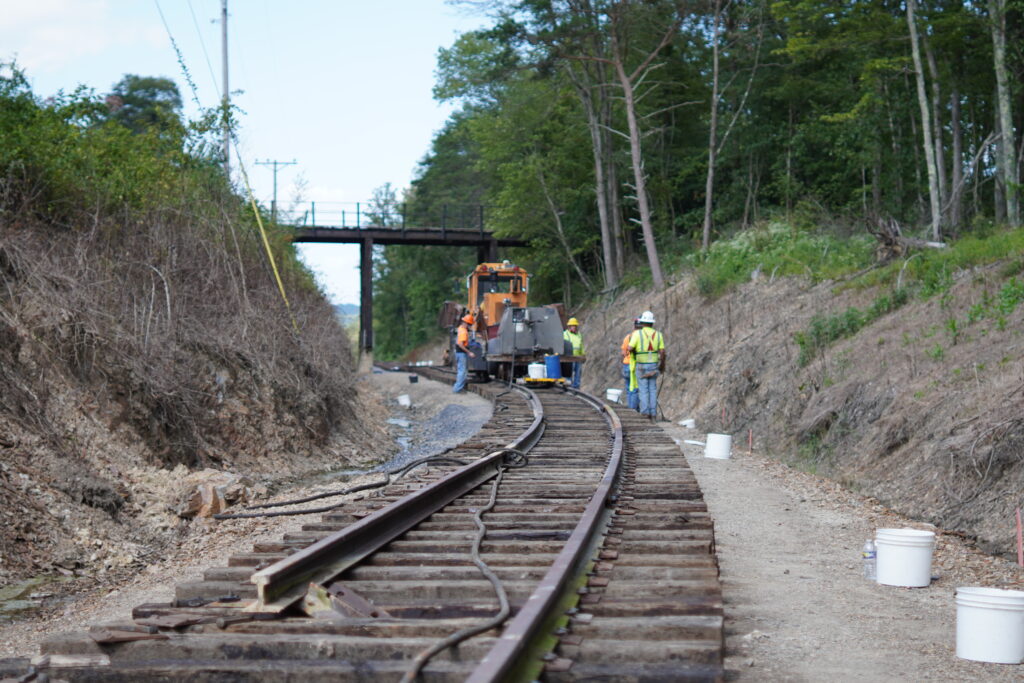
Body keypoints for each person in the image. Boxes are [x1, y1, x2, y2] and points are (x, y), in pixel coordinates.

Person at [628, 310, 665, 421]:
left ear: (643, 322)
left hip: (641, 365)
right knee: (652, 389)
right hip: (653, 365)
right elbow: (662, 352)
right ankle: (653, 414)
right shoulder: (658, 335)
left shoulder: (637, 334)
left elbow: (629, 348)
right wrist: (662, 364)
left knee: (643, 390)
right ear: (652, 323)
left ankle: (645, 413)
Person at [620, 318, 641, 410]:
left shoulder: (627, 337)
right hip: (635, 365)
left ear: (634, 326)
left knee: (629, 389)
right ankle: (634, 410)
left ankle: (630, 408)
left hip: (626, 365)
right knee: (636, 389)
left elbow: (623, 353)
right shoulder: (641, 337)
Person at [453, 314, 476, 393]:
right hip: (461, 353)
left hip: (459, 353)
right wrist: (469, 352)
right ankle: (457, 389)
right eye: (469, 324)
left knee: (461, 370)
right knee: (462, 371)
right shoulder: (463, 332)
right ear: (466, 323)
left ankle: (457, 388)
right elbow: (461, 344)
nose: (470, 326)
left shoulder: (460, 328)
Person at [563, 317, 585, 389]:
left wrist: (583, 354)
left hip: (578, 357)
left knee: (578, 373)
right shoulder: (565, 334)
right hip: (569, 357)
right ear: (569, 326)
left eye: (575, 326)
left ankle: (576, 387)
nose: (574, 327)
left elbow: (581, 345)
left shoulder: (579, 334)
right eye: (572, 326)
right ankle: (569, 386)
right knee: (569, 372)